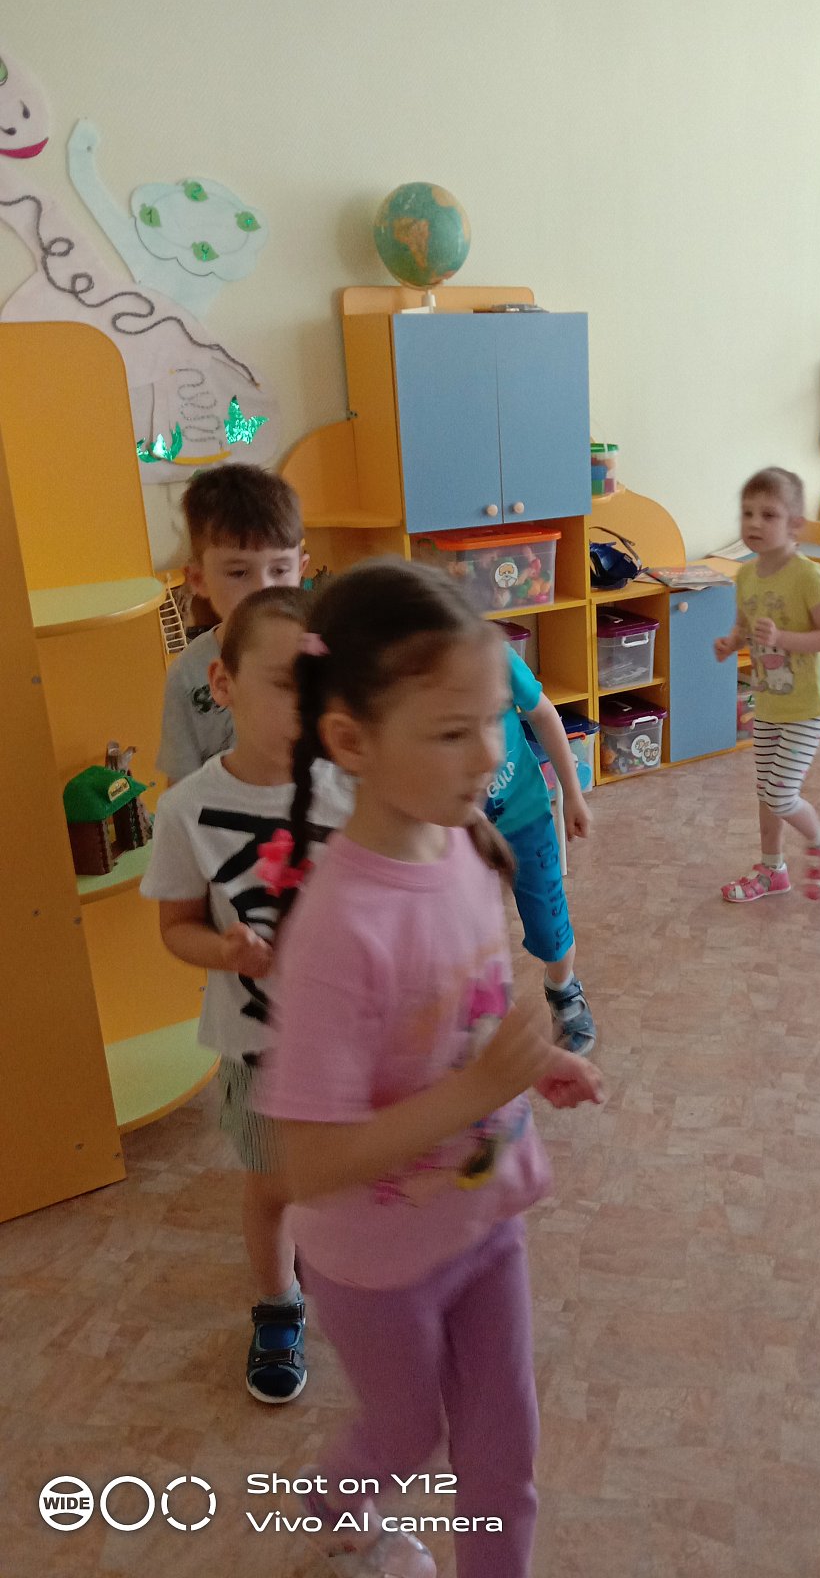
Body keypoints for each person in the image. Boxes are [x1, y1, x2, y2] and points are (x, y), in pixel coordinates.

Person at [254, 558, 604, 1578]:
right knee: (406, 1434)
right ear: (352, 741)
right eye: (453, 732)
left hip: (484, 1220)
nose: (490, 753)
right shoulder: (336, 930)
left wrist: (528, 1066)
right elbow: (311, 1163)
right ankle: (333, 1507)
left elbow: (463, 1017)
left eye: (492, 720)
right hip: (377, 1263)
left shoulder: (465, 847)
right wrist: (474, 1092)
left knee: (504, 1454)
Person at [141, 588, 352, 1403]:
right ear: (223, 685)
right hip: (259, 1045)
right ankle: (278, 1304)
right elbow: (176, 928)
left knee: (352, 1174)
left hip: (352, 1041)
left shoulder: (353, 790)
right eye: (284, 683)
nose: (307, 706)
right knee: (271, 1186)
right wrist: (224, 950)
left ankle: (344, 1268)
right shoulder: (186, 809)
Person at [713, 466, 820, 902]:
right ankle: (773, 871)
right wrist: (731, 642)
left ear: (795, 525)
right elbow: (743, 626)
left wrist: (782, 638)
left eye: (768, 515)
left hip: (806, 708)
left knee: (781, 794)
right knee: (765, 794)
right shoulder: (746, 576)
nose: (754, 523)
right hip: (768, 704)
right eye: (747, 513)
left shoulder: (809, 576)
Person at [157, 463, 307, 785]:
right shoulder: (186, 674)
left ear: (301, 570)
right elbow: (180, 785)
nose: (263, 589)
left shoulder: (320, 652)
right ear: (199, 579)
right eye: (239, 573)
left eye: (280, 570)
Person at [485, 641, 597, 1053]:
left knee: (551, 925)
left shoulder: (493, 654)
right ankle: (481, 1013)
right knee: (471, 932)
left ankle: (563, 988)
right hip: (457, 834)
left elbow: (544, 714)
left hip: (526, 817)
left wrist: (572, 794)